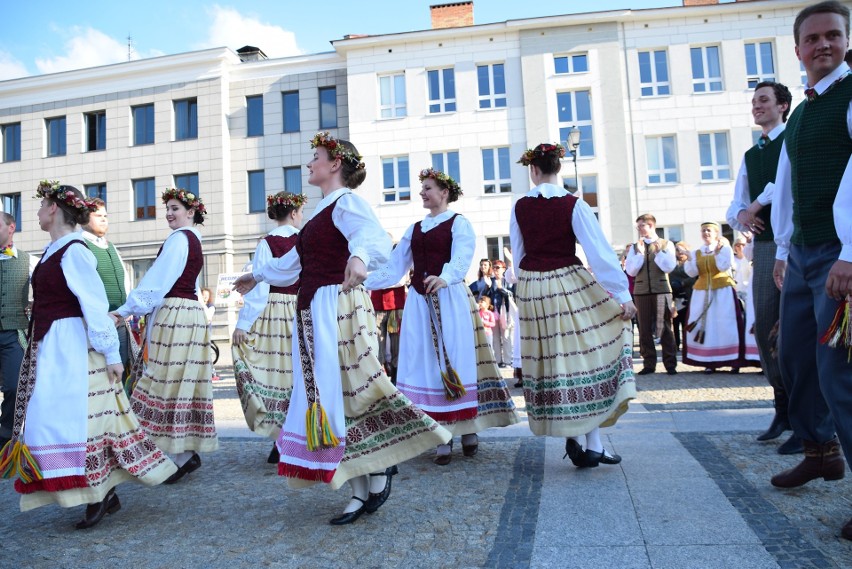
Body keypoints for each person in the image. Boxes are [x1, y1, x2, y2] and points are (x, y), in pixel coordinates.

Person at [232, 132, 450, 525]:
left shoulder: (347, 203)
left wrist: (361, 258)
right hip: (314, 308)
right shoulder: (318, 215)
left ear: (335, 164)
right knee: (334, 394)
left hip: (338, 305)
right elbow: (293, 264)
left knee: (354, 385)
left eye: (315, 156)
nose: (309, 163)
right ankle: (358, 484)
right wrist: (255, 275)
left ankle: (380, 467)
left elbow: (373, 238)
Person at [0, 181, 176, 529]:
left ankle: (99, 492)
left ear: (53, 209)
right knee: (52, 418)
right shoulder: (54, 250)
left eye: (41, 205)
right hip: (51, 342)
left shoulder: (75, 250)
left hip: (72, 345)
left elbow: (94, 305)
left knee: (82, 421)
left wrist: (112, 353)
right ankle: (90, 491)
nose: (35, 212)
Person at [767, 1, 852, 541]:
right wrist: (781, 250)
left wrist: (850, 253)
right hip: (801, 252)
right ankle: (819, 450)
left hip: (838, 251)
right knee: (792, 355)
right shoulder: (801, 110)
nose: (822, 44)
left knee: (839, 372)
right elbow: (787, 181)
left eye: (833, 36)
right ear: (798, 49)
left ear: (846, 40)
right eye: (812, 38)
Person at [365, 167, 518, 466]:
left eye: (428, 188)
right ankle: (442, 433)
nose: (422, 192)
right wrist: (362, 280)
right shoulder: (414, 229)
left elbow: (462, 256)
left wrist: (446, 276)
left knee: (456, 359)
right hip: (421, 304)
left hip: (449, 299)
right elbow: (395, 266)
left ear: (444, 192)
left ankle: (467, 428)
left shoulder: (459, 224)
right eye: (422, 188)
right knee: (426, 364)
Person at [511, 143, 637, 467]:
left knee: (557, 365)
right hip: (568, 285)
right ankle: (590, 441)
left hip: (533, 288)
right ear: (558, 168)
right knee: (587, 358)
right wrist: (621, 295)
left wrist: (525, 288)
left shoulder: (520, 206)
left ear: (533, 170)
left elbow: (518, 254)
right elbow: (599, 252)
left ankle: (585, 440)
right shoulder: (573, 204)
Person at [111, 187, 218, 484]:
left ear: (191, 212)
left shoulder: (180, 240)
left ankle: (156, 453)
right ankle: (183, 455)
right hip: (189, 314)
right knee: (177, 382)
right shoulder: (193, 240)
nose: (169, 213)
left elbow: (158, 281)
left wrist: (125, 310)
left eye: (175, 208)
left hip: (175, 316)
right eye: (167, 208)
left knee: (161, 380)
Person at [726, 80, 801, 454]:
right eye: (754, 101)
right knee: (766, 329)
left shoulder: (793, 137)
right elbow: (736, 206)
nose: (757, 106)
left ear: (783, 105)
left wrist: (754, 205)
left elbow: (782, 184)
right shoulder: (751, 153)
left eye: (764, 100)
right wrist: (744, 210)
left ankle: (806, 419)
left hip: (793, 241)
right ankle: (783, 408)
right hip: (767, 246)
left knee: (791, 331)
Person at [232, 190, 306, 464]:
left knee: (274, 374)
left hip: (273, 311)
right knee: (298, 373)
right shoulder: (303, 240)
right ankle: (295, 435)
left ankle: (282, 436)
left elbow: (260, 285)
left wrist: (244, 323)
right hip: (300, 307)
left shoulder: (267, 242)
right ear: (295, 213)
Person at [681, 223, 756, 373]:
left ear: (716, 233)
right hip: (702, 292)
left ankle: (734, 361)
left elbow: (724, 266)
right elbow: (691, 272)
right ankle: (709, 361)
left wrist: (716, 253)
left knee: (726, 323)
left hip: (722, 291)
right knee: (706, 325)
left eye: (709, 230)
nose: (706, 233)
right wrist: (689, 259)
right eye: (703, 230)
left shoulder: (725, 248)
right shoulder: (697, 252)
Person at [81, 199, 136, 389]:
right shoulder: (80, 245)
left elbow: (124, 279)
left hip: (119, 323)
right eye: (98, 216)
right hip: (95, 326)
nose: (104, 220)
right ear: (84, 218)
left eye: (105, 216)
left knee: (121, 377)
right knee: (101, 380)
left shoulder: (111, 246)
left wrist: (126, 311)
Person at [625, 214, 678, 375]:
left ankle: (670, 364)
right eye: (638, 226)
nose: (639, 229)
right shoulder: (635, 247)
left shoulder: (666, 244)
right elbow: (631, 271)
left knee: (665, 327)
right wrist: (640, 254)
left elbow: (669, 267)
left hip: (661, 289)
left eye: (642, 226)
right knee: (644, 328)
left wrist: (657, 252)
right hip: (641, 291)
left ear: (651, 226)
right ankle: (649, 363)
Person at [0, 212, 33, 450]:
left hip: (14, 333)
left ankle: (4, 440)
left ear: (11, 227)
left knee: (14, 386)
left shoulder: (29, 260)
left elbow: (47, 288)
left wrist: (36, 303)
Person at [669, 241, 696, 353]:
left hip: (688, 295)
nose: (679, 253)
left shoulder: (691, 263)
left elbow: (695, 276)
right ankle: (676, 344)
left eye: (682, 250)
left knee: (686, 322)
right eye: (677, 250)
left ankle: (687, 345)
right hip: (675, 296)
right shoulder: (672, 264)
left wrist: (683, 283)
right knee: (675, 322)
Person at [488, 259, 514, 368]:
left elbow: (511, 293)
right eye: (494, 267)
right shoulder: (490, 281)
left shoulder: (507, 280)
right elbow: (485, 296)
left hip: (505, 312)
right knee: (495, 338)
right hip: (493, 313)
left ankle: (508, 361)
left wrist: (501, 289)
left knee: (506, 337)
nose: (495, 270)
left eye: (498, 267)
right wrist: (487, 287)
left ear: (504, 269)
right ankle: (498, 361)